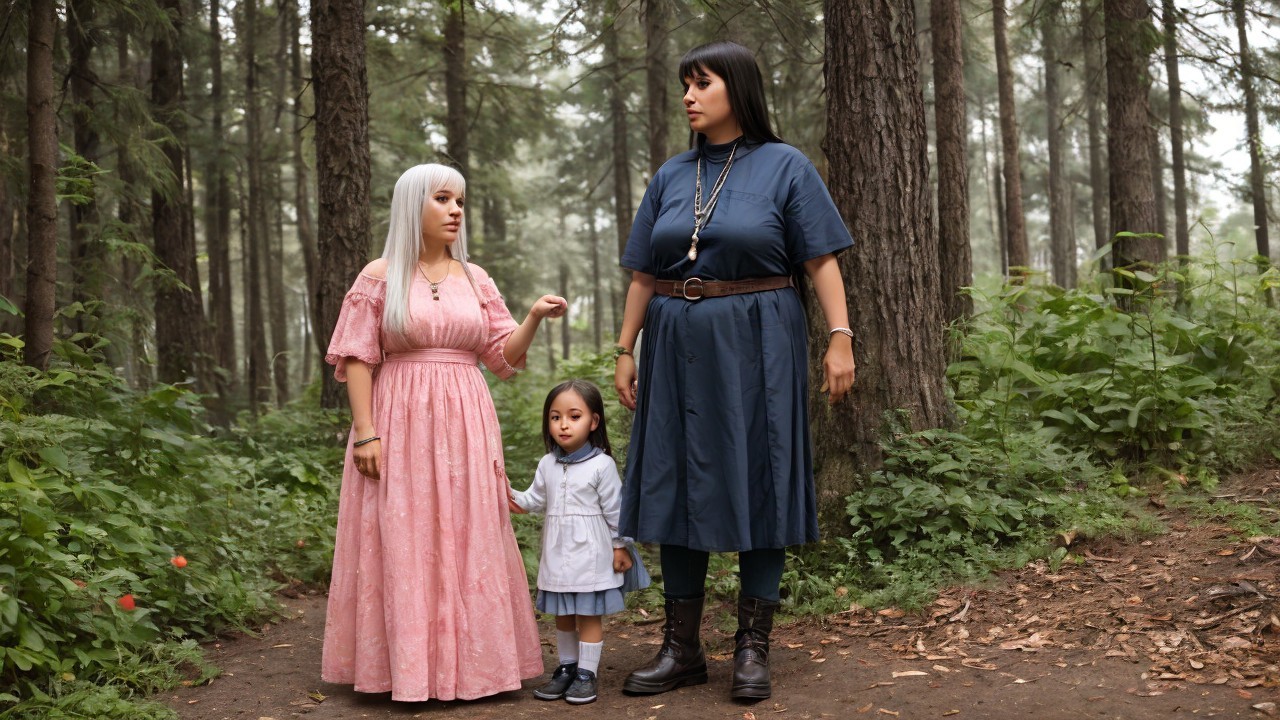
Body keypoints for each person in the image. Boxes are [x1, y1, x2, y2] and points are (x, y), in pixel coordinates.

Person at [612, 41, 856, 701]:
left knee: (762, 473)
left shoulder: (786, 166)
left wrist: (840, 337)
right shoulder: (671, 174)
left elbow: (821, 260)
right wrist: (625, 348)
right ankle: (681, 649)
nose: (688, 96)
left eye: (702, 83)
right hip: (675, 343)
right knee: (676, 478)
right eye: (684, 85)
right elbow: (643, 272)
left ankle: (752, 649)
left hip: (759, 342)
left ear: (737, 89)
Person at [321, 163, 568, 702]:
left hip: (466, 420)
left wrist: (530, 317)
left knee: (468, 532)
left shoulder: (475, 278)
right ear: (413, 205)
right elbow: (357, 357)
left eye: (460, 201)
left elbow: (502, 358)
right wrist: (365, 432)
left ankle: (472, 669)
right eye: (443, 199)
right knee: (403, 534)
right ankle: (406, 671)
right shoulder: (379, 275)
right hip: (398, 418)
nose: (456, 210)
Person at [508, 379, 645, 706]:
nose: (564, 425)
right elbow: (533, 500)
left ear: (593, 421)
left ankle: (586, 674)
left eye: (574, 416)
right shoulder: (547, 464)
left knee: (587, 614)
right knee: (563, 615)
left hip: (591, 554)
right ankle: (567, 669)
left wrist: (620, 546)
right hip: (556, 555)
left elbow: (615, 510)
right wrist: (504, 490)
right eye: (555, 417)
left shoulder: (602, 464)